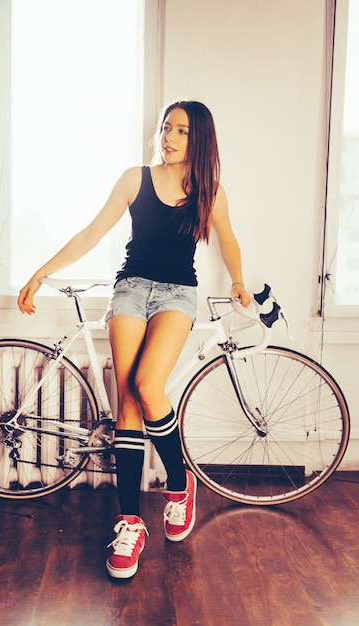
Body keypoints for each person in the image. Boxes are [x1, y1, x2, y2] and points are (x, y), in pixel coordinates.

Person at [18, 100, 251, 579]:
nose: (168, 137)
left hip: (177, 295)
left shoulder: (210, 191)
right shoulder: (134, 179)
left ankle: (178, 482)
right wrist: (41, 272)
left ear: (199, 139)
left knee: (149, 386)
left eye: (181, 131)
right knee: (127, 402)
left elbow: (227, 238)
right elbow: (91, 233)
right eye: (166, 128)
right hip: (130, 289)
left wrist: (238, 280)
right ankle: (130, 525)